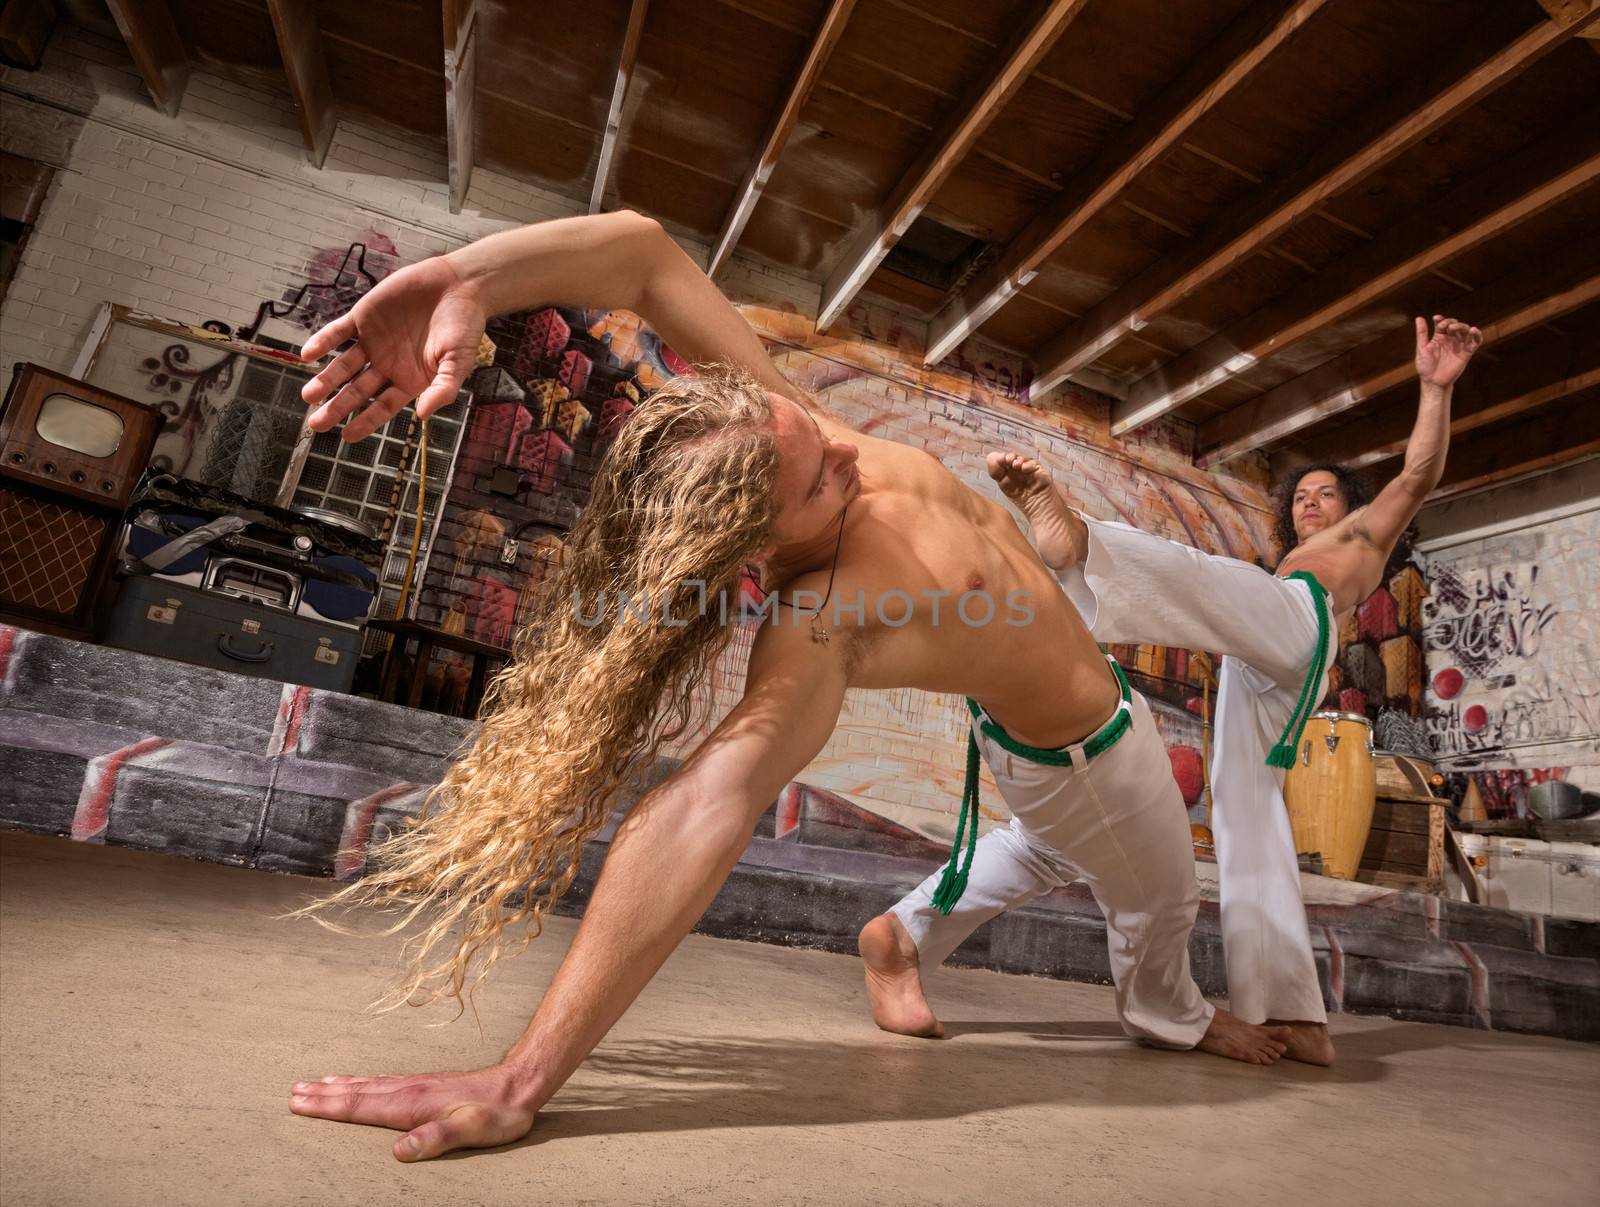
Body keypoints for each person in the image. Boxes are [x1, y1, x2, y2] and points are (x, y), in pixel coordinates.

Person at [284, 211, 1288, 1163]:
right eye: (821, 482)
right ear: (755, 545)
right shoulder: (824, 620)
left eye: (815, 440)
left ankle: (898, 939)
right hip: (1093, 751)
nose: (846, 449)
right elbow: (704, 804)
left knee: (1035, 846)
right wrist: (523, 1079)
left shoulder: (780, 430)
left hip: (1028, 745)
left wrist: (469, 276)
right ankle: (1176, 1018)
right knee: (1162, 901)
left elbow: (640, 254)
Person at [913, 316, 1483, 1066]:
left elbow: (1418, 474)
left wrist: (1435, 388)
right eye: (1302, 496)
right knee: (1247, 816)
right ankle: (1295, 1014)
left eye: (1326, 494)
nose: (1311, 504)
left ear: (1352, 508)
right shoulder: (1288, 561)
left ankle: (1081, 542)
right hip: (1263, 660)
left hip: (1300, 629)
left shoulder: (1359, 542)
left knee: (1205, 576)